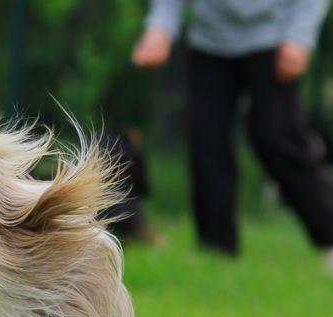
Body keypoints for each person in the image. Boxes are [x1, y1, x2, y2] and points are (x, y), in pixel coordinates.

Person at [132, 0, 333, 272]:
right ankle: (216, 254)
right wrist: (160, 27)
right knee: (206, 142)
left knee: (275, 135)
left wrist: (299, 37)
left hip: (275, 35)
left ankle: (329, 235)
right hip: (210, 40)